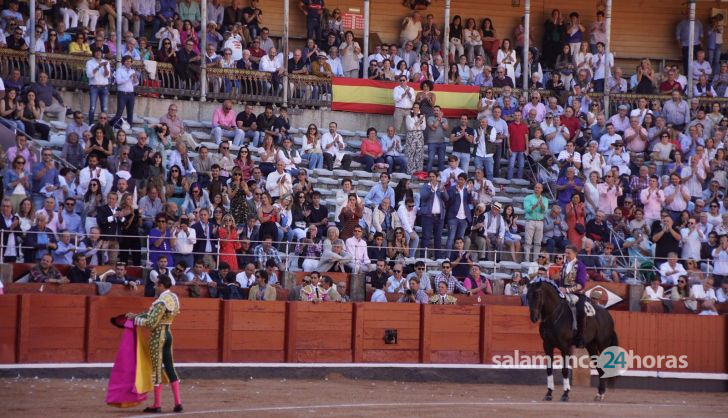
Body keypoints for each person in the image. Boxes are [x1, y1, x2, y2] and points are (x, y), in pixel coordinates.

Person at [126, 274, 183, 413]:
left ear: (162, 286)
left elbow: (152, 322)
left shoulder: (161, 301)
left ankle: (157, 405)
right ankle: (178, 403)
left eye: (156, 284)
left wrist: (135, 321)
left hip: (158, 336)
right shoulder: (173, 298)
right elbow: (152, 314)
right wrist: (137, 315)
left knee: (156, 369)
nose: (154, 286)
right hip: (168, 334)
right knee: (170, 367)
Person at [110, 56, 139, 128]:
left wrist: (135, 79)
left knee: (130, 113)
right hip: (122, 93)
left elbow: (135, 84)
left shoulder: (132, 71)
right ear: (123, 62)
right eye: (127, 61)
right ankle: (112, 125)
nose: (128, 63)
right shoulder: (119, 70)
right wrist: (129, 77)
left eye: (130, 61)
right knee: (119, 112)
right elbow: (118, 81)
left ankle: (130, 127)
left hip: (131, 94)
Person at [523, 183, 548, 262]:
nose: (537, 189)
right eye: (536, 187)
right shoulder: (528, 198)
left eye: (539, 188)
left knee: (538, 242)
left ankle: (536, 260)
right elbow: (527, 209)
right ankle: (526, 259)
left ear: (542, 189)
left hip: (540, 222)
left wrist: (541, 204)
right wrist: (536, 205)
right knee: (528, 241)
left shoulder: (545, 199)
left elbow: (544, 211)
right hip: (530, 221)